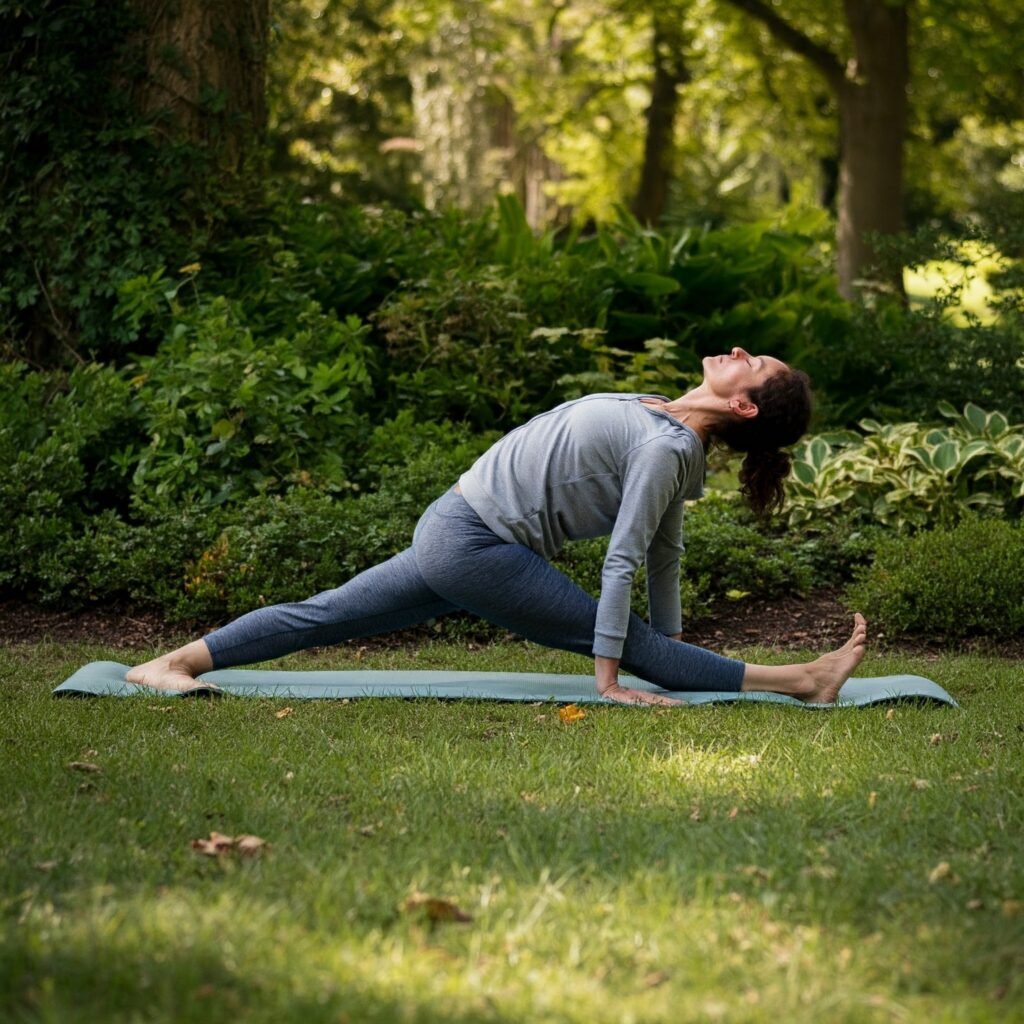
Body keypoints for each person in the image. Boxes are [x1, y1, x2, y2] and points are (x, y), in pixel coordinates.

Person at [128, 347, 867, 705]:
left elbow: (643, 557)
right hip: (465, 538)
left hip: (474, 543)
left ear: (744, 407)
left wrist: (632, 665)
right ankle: (171, 665)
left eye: (752, 364)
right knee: (325, 614)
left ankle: (175, 664)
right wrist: (648, 654)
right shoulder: (659, 418)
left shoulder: (670, 448)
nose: (737, 353)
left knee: (325, 615)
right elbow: (648, 559)